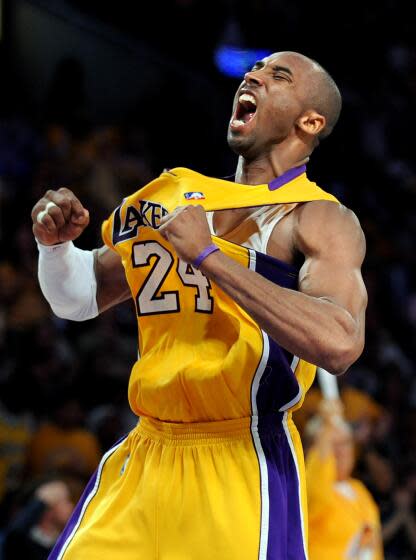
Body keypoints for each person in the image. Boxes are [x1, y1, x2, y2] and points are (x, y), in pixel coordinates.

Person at [31, 51, 367, 559]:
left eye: (278, 75)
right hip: (145, 451)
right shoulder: (174, 194)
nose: (253, 75)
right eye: (254, 69)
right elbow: (78, 299)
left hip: (240, 460)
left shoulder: (319, 217)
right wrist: (55, 248)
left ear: (311, 121)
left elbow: (339, 343)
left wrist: (209, 256)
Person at [305, 400, 383, 559]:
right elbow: (318, 472)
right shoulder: (310, 489)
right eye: (334, 444)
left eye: (346, 443)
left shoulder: (359, 490)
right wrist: (326, 427)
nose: (342, 452)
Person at [2, 479, 74, 560]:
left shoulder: (65, 544)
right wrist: (40, 503)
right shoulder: (21, 542)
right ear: (49, 509)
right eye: (66, 501)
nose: (71, 506)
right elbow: (14, 534)